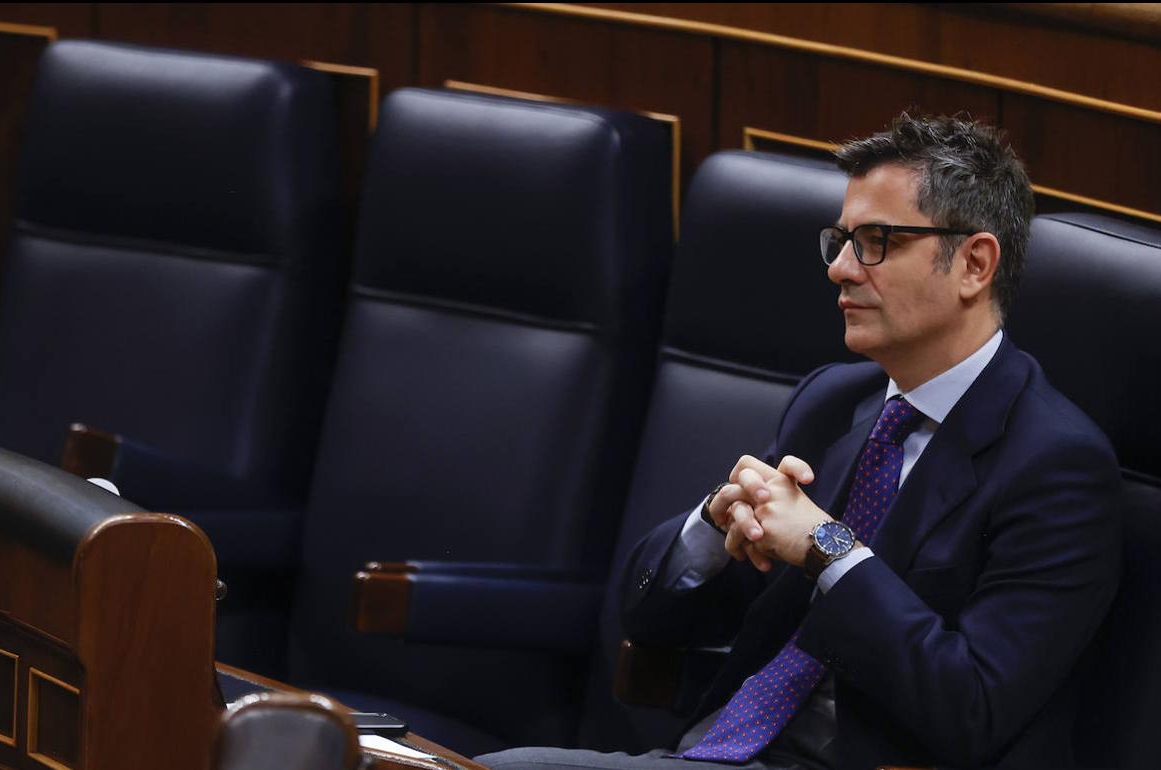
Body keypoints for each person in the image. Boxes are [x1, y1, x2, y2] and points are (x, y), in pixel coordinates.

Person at [476, 114, 1121, 770]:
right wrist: (708, 528)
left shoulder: (1058, 466)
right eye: (841, 241)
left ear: (974, 264)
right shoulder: (832, 402)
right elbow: (642, 611)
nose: (841, 268)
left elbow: (973, 708)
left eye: (876, 241)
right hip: (713, 753)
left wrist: (828, 547)